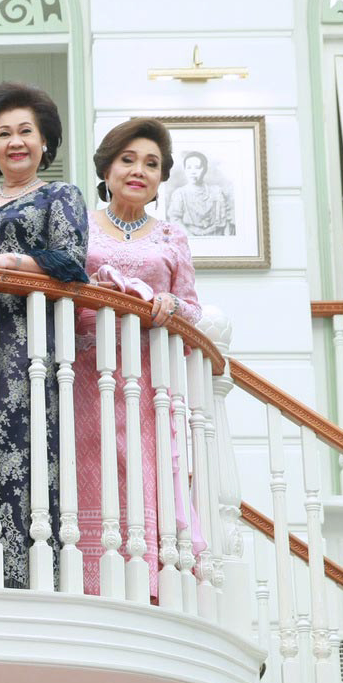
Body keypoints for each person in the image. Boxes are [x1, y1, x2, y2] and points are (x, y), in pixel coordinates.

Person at [0, 83, 87, 590]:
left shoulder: (60, 196)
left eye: (25, 131)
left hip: (30, 348)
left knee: (30, 454)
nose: (15, 142)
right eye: (2, 134)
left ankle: (30, 578)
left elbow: (71, 262)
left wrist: (6, 263)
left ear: (44, 140)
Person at [73, 118, 206, 599]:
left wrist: (170, 306)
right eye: (127, 160)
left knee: (143, 471)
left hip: (147, 379)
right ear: (106, 168)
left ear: (160, 178)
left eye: (151, 164)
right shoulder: (80, 224)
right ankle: (88, 581)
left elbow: (192, 308)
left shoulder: (171, 236)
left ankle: (146, 583)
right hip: (86, 373)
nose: (138, 171)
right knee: (91, 465)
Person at [163, 150, 234, 236]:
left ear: (204, 169)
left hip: (216, 236)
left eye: (197, 167)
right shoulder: (180, 194)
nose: (193, 171)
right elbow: (175, 219)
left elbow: (226, 221)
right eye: (189, 167)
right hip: (189, 237)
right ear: (185, 170)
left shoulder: (217, 192)